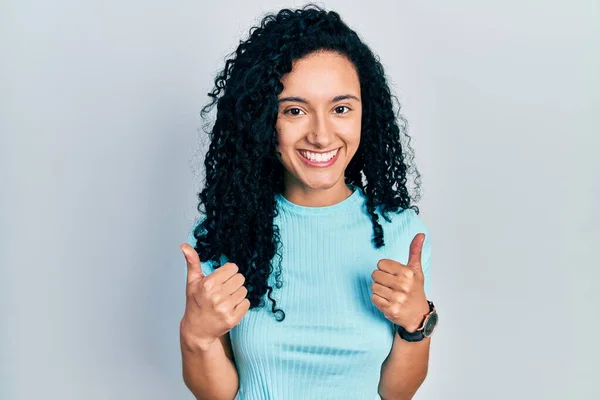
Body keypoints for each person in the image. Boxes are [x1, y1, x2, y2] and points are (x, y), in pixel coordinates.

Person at [179, 5, 438, 399]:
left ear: (365, 116)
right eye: (295, 110)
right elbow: (219, 395)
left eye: (340, 108)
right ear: (265, 120)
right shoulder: (226, 232)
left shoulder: (404, 234)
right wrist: (196, 335)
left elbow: (396, 393)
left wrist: (416, 323)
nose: (320, 134)